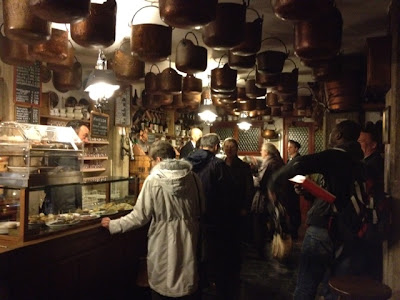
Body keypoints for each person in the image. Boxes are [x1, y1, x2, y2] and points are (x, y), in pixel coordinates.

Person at [268, 120, 365, 300]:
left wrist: (274, 182)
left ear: (338, 135)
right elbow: (339, 194)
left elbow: (298, 164)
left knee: (306, 287)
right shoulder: (358, 160)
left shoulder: (337, 155)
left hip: (324, 229)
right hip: (347, 231)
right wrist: (309, 191)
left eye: (333, 131)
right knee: (332, 288)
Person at [101, 140, 204, 300]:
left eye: (151, 160)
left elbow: (139, 217)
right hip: (189, 240)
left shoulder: (153, 180)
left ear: (159, 160)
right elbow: (202, 208)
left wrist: (114, 224)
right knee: (186, 282)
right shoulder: (194, 179)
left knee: (162, 286)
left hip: (162, 240)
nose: (150, 164)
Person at [185, 133, 241, 300]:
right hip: (214, 217)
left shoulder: (185, 162)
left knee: (193, 252)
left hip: (189, 216)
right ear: (216, 147)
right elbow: (229, 193)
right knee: (213, 253)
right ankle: (215, 285)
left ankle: (197, 283)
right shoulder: (218, 165)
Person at [42, 120, 89, 214]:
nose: (87, 140)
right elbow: (66, 190)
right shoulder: (66, 154)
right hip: (64, 210)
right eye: (84, 136)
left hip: (58, 208)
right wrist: (71, 213)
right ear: (73, 136)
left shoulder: (65, 150)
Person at [357, 121, 385, 281]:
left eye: (361, 142)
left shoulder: (373, 164)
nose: (358, 145)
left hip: (371, 221)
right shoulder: (367, 162)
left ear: (373, 144)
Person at [251, 142, 284, 258]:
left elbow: (261, 182)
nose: (261, 152)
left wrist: (252, 177)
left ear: (267, 152)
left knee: (259, 224)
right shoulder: (278, 161)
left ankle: (260, 252)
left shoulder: (269, 162)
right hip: (273, 197)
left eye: (262, 150)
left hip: (265, 198)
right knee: (268, 224)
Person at [222, 137, 255, 244]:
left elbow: (249, 188)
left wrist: (246, 207)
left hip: (238, 205)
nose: (229, 149)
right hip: (224, 205)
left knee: (237, 235)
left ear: (236, 149)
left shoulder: (244, 167)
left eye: (232, 147)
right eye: (227, 147)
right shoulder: (220, 165)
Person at [285, 140, 302, 240]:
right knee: (290, 211)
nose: (288, 149)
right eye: (288, 147)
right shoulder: (289, 160)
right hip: (288, 189)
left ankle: (294, 233)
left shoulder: (298, 159)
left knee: (294, 211)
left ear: (296, 149)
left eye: (290, 147)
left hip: (294, 188)